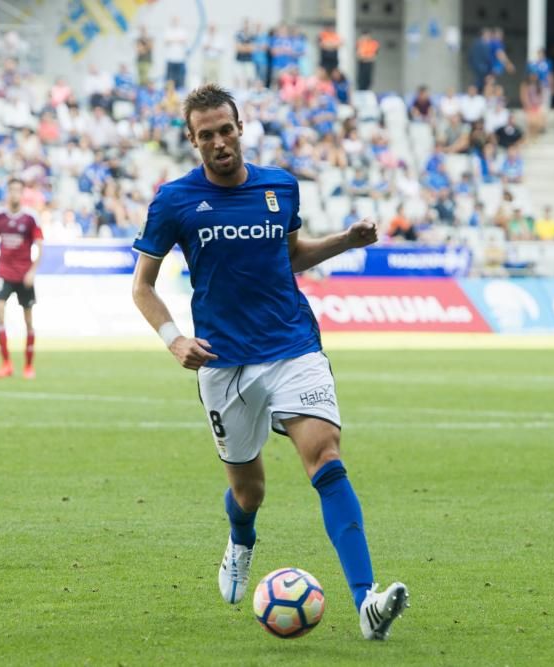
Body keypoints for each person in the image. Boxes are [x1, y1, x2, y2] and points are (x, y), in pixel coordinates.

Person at [131, 84, 409, 641]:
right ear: (192, 140)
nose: (218, 142)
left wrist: (345, 242)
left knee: (325, 456)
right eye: (205, 135)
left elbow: (290, 256)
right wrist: (173, 339)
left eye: (225, 130)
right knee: (248, 491)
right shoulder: (173, 201)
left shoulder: (281, 186)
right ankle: (241, 541)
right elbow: (142, 286)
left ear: (240, 128)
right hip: (223, 361)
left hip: (291, 346)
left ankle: (366, 603)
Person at [0, 179, 43, 380]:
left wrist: (32, 271)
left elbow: (40, 245)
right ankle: (6, 363)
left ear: (22, 193)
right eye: (11, 190)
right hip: (4, 272)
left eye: (18, 190)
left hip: (24, 274)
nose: (14, 194)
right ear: (8, 192)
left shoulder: (30, 218)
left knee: (28, 320)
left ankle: (28, 366)